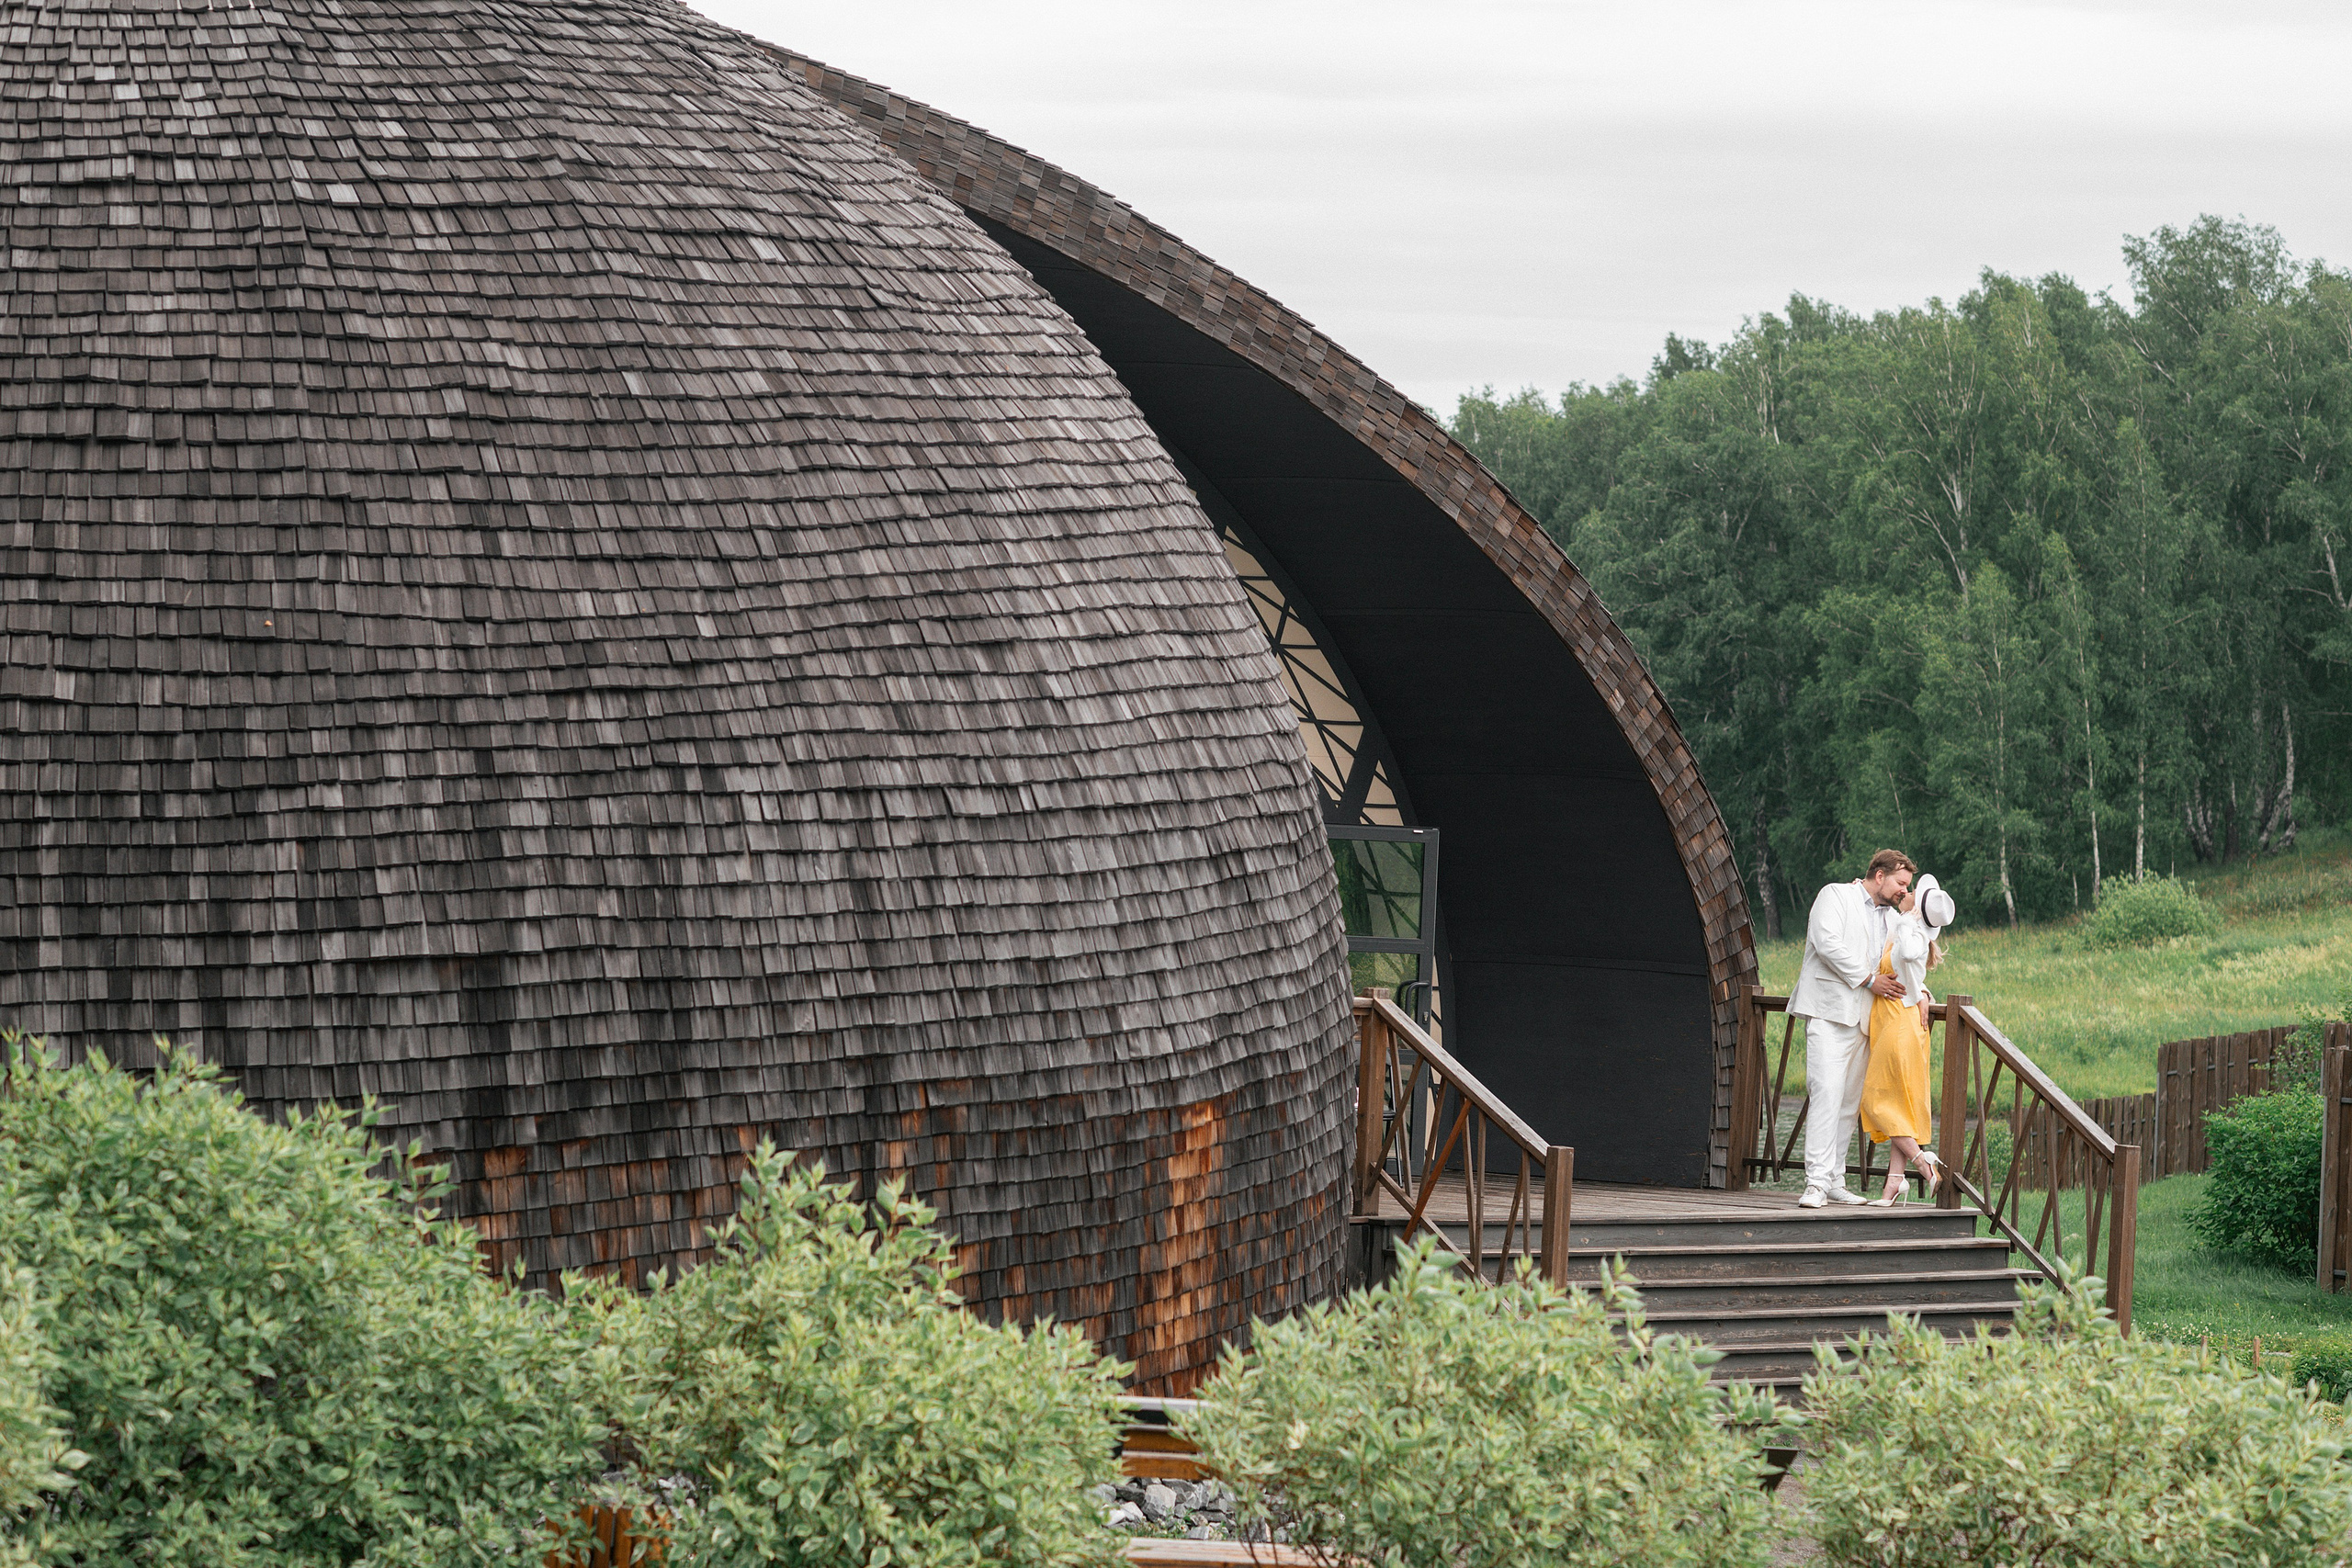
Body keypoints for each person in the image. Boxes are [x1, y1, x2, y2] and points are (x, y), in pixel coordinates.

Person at [1787, 850, 1914, 1208]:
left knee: (1848, 1103)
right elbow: (1827, 944)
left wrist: (1921, 993)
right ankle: (1813, 1183)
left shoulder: (1892, 918)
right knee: (1826, 1093)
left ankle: (1834, 1180)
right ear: (1879, 876)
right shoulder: (1835, 895)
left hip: (1867, 1021)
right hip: (1829, 1014)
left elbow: (1903, 961)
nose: (1904, 891)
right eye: (1900, 884)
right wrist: (1868, 979)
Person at [1858, 873, 1956, 1205]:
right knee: (1898, 1104)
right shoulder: (1906, 927)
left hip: (1900, 1023)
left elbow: (1912, 953)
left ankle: (1923, 1163)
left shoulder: (1909, 930)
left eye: (1913, 891)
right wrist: (1924, 991)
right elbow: (1911, 971)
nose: (1908, 892)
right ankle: (1894, 1184)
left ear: (1918, 906)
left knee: (1875, 1100)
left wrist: (1906, 923)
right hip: (1895, 1021)